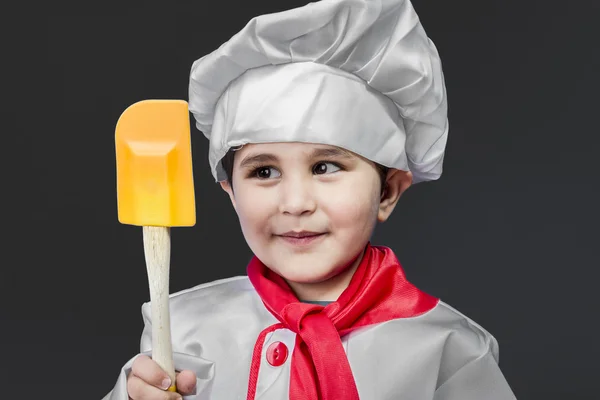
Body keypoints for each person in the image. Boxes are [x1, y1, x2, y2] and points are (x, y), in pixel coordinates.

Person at [104, 0, 517, 399]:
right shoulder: (179, 329)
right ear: (230, 192)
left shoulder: (449, 350)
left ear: (387, 191)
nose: (296, 202)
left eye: (325, 167)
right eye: (264, 172)